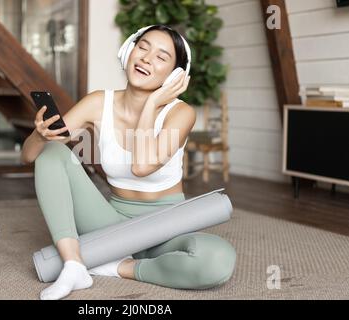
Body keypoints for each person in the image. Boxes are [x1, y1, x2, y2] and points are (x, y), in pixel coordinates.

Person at [21, 25, 236, 300]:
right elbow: (29, 156)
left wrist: (152, 103)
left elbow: (142, 166)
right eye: (143, 47)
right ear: (128, 51)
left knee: (216, 259)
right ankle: (75, 264)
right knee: (53, 152)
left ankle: (115, 266)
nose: (146, 58)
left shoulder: (181, 113)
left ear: (175, 76)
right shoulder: (98, 102)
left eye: (161, 56)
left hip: (166, 226)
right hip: (112, 225)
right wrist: (40, 136)